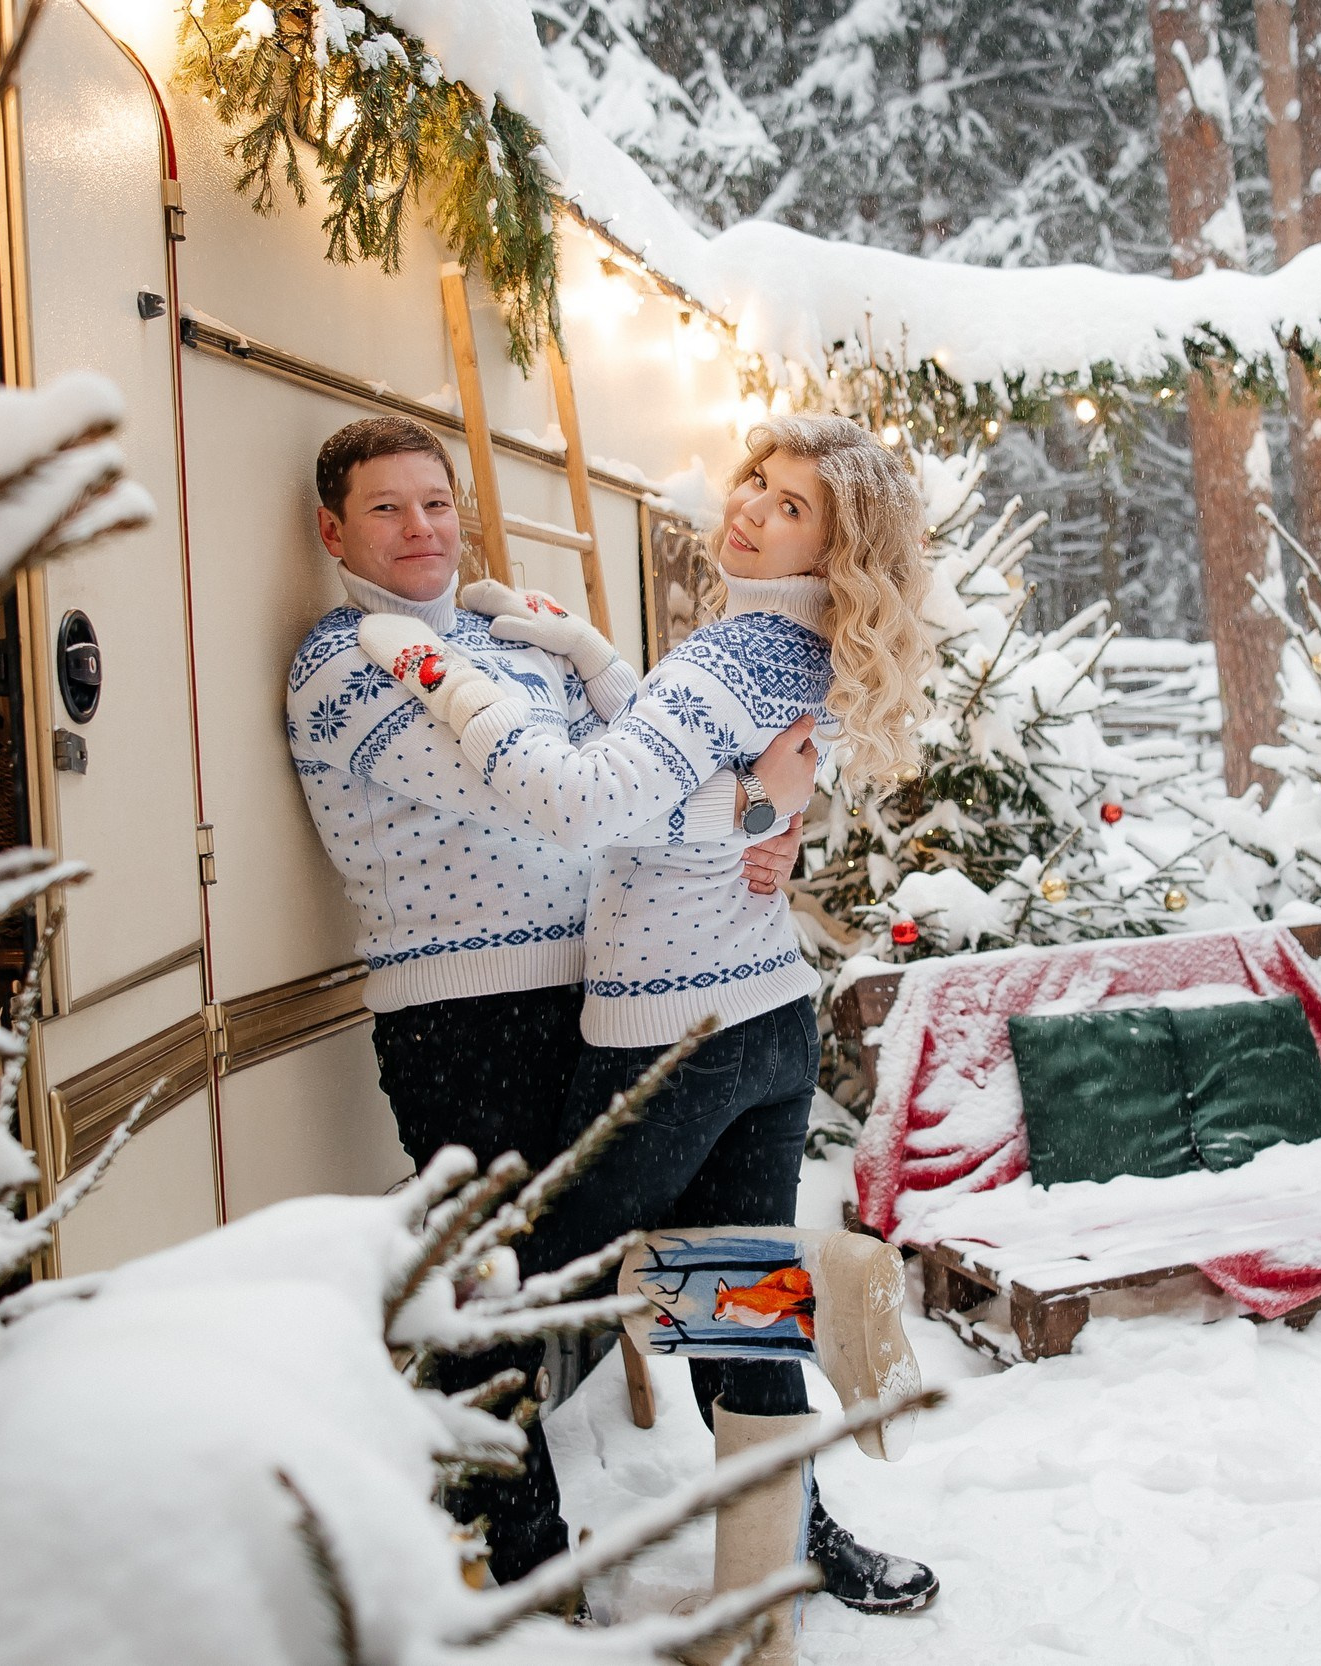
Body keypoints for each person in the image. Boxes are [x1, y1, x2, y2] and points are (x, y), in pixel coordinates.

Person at [361, 415, 943, 1646]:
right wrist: (591, 659)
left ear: (835, 544)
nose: (749, 509)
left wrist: (441, 676)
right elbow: (679, 787)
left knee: (514, 1287)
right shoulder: (802, 651)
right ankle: (786, 1543)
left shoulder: (731, 658)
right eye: (757, 483)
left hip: (668, 1038)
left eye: (791, 506)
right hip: (766, 1022)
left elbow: (581, 807)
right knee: (733, 1290)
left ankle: (509, 1570)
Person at [282, 415, 815, 1582]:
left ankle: (786, 1527)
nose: (419, 526)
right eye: (384, 507)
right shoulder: (345, 666)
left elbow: (635, 768)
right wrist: (749, 805)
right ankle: (519, 1563)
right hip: (462, 1021)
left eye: (434, 501)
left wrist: (740, 799)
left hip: (608, 993)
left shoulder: (508, 632)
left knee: (721, 1262)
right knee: (504, 1291)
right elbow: (549, 797)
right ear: (334, 529)